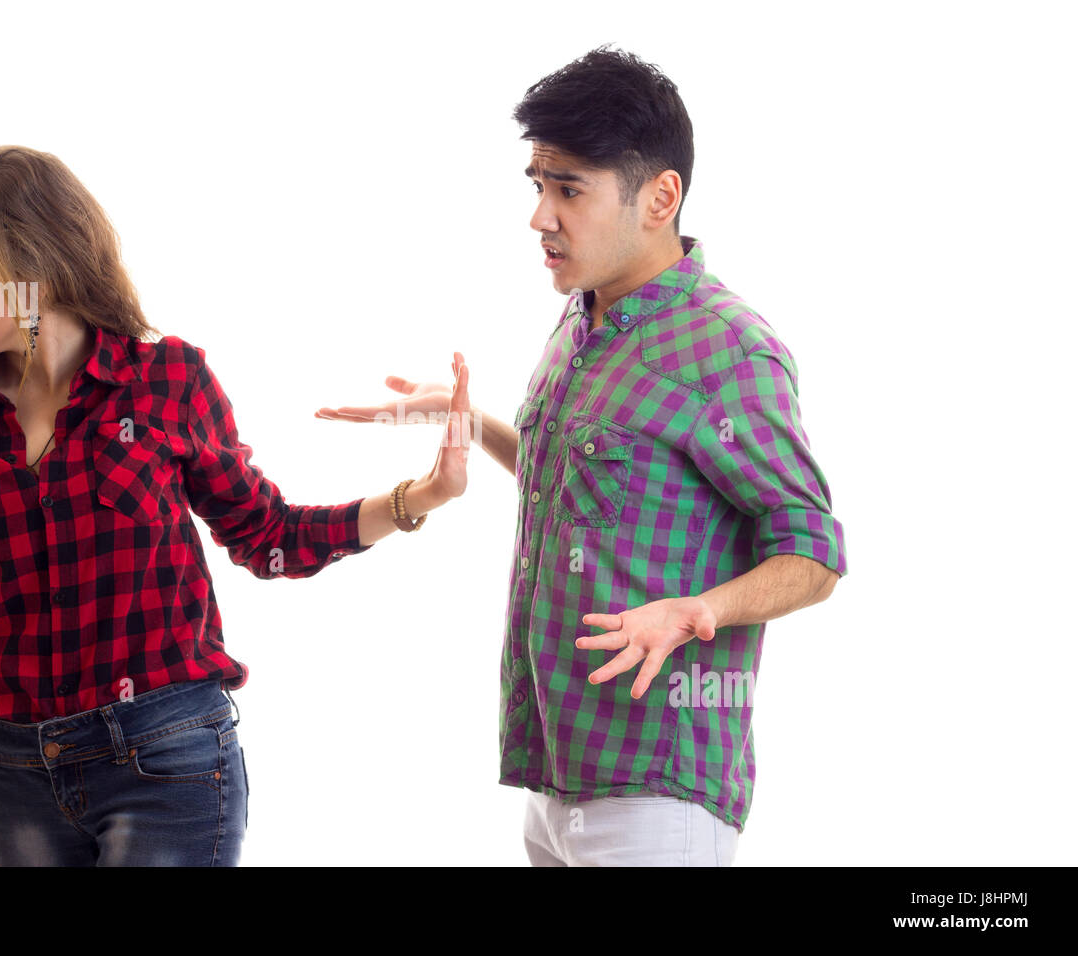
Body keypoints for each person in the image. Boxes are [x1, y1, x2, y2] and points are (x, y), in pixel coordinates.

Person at [316, 46, 848, 866]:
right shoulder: (584, 317)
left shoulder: (730, 351)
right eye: (538, 186)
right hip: (556, 774)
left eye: (570, 189)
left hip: (657, 793)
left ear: (659, 197)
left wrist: (697, 610)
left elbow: (813, 552)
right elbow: (578, 478)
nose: (541, 216)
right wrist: (467, 422)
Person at [0, 145, 471, 867]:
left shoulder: (166, 381)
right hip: (16, 779)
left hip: (167, 759)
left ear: (33, 262)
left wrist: (420, 496)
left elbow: (267, 536)